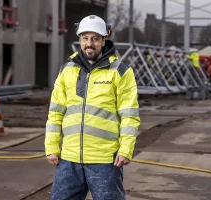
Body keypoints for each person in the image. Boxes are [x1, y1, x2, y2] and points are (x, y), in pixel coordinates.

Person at [44, 15, 140, 200]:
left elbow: (129, 115)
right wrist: (51, 147)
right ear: (80, 40)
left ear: (104, 40)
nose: (90, 43)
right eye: (85, 38)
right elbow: (55, 112)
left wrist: (126, 149)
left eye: (95, 39)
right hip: (69, 159)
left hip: (105, 160)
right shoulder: (67, 71)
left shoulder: (120, 71)